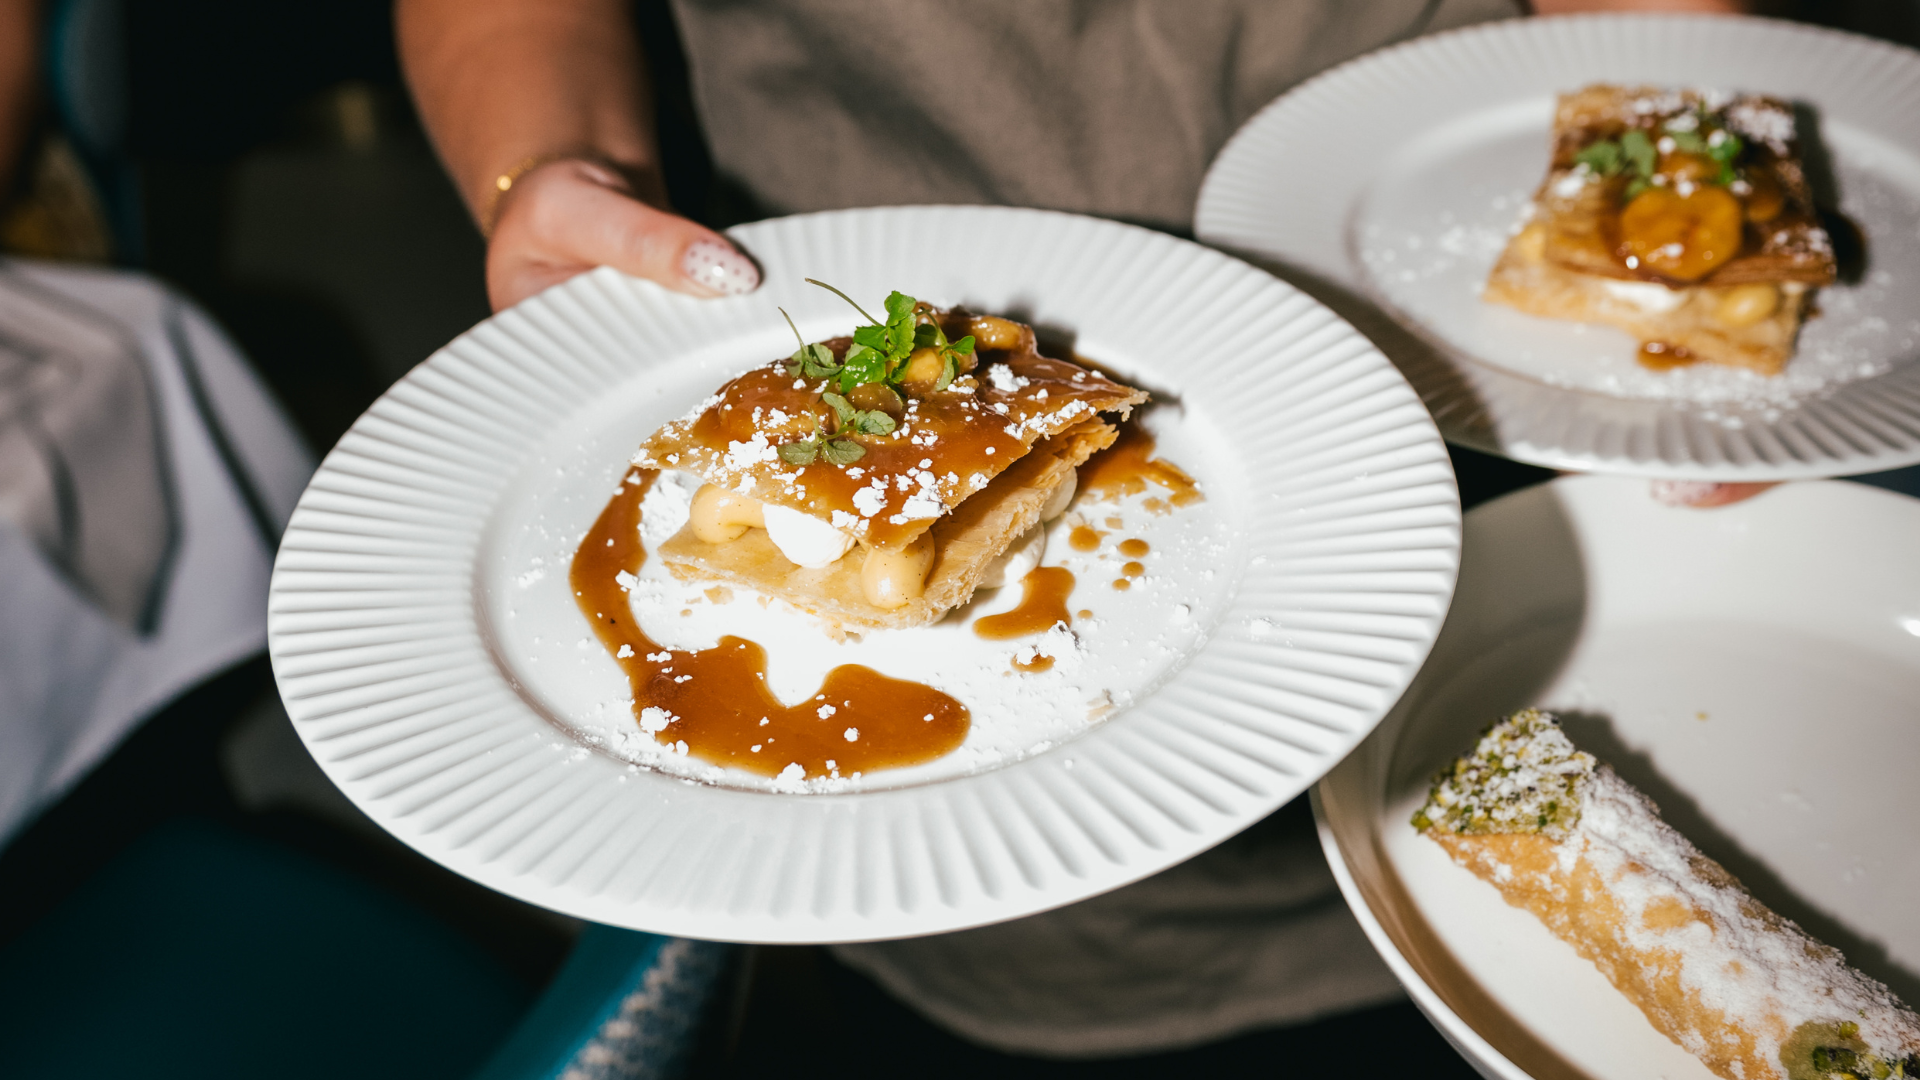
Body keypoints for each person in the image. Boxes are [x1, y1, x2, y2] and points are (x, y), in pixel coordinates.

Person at [397, 0, 1752, 1058]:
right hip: (849, 283)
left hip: (1466, 377)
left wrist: (1699, 179)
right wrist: (547, 169)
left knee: (1597, 934)